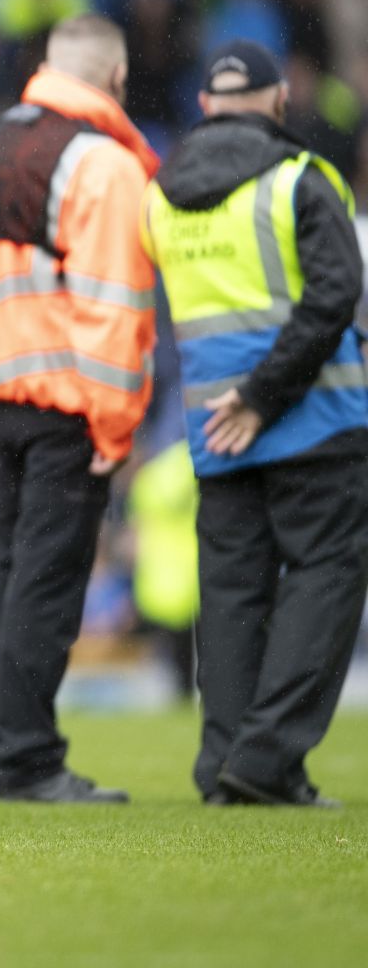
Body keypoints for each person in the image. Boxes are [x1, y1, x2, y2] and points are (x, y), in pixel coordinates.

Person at [0, 13, 159, 804]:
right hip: (69, 403)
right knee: (48, 580)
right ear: (117, 78)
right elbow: (113, 306)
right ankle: (27, 758)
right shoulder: (104, 165)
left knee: (10, 574)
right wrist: (115, 420)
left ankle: (9, 752)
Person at [143, 40, 368, 808]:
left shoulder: (160, 195)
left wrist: (238, 399)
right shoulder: (305, 179)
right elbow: (337, 294)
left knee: (232, 595)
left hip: (214, 427)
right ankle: (266, 761)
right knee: (327, 574)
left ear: (205, 107)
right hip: (315, 417)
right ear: (278, 102)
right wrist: (268, 395)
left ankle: (225, 765)